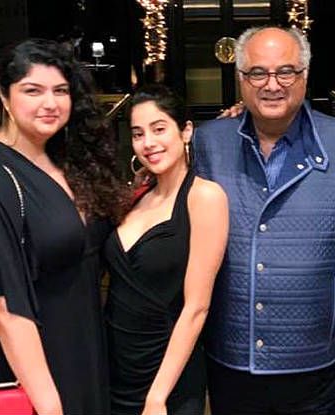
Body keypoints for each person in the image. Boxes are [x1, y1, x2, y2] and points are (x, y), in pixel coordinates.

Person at [193, 26, 335, 414]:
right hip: (231, 358)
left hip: (316, 363)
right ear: (241, 79)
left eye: (286, 71)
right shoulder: (209, 144)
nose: (272, 85)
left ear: (304, 76)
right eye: (258, 73)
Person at [0, 38, 128, 415]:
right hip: (35, 378)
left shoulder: (67, 163)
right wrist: (49, 405)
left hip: (83, 355)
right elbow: (4, 309)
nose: (50, 103)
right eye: (32, 90)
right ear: (3, 96)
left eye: (60, 91)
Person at [103, 84, 228, 415]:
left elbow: (197, 307)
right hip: (116, 368)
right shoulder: (137, 195)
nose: (148, 143)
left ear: (185, 131)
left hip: (166, 376)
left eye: (159, 129)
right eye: (138, 134)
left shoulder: (205, 197)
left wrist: (157, 396)